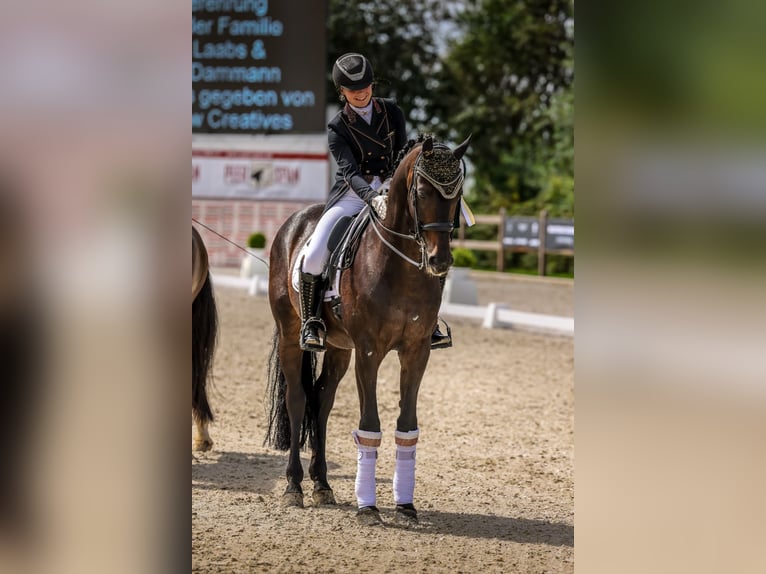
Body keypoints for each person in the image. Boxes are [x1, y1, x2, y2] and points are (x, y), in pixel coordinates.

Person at [298, 52, 452, 352]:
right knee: (315, 251)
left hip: (394, 188)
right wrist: (372, 197)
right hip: (354, 194)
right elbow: (350, 171)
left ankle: (430, 322)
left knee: (433, 238)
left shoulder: (392, 112)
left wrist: (396, 186)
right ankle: (312, 322)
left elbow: (402, 153)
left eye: (366, 85)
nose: (362, 91)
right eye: (354, 89)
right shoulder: (337, 127)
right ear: (341, 92)